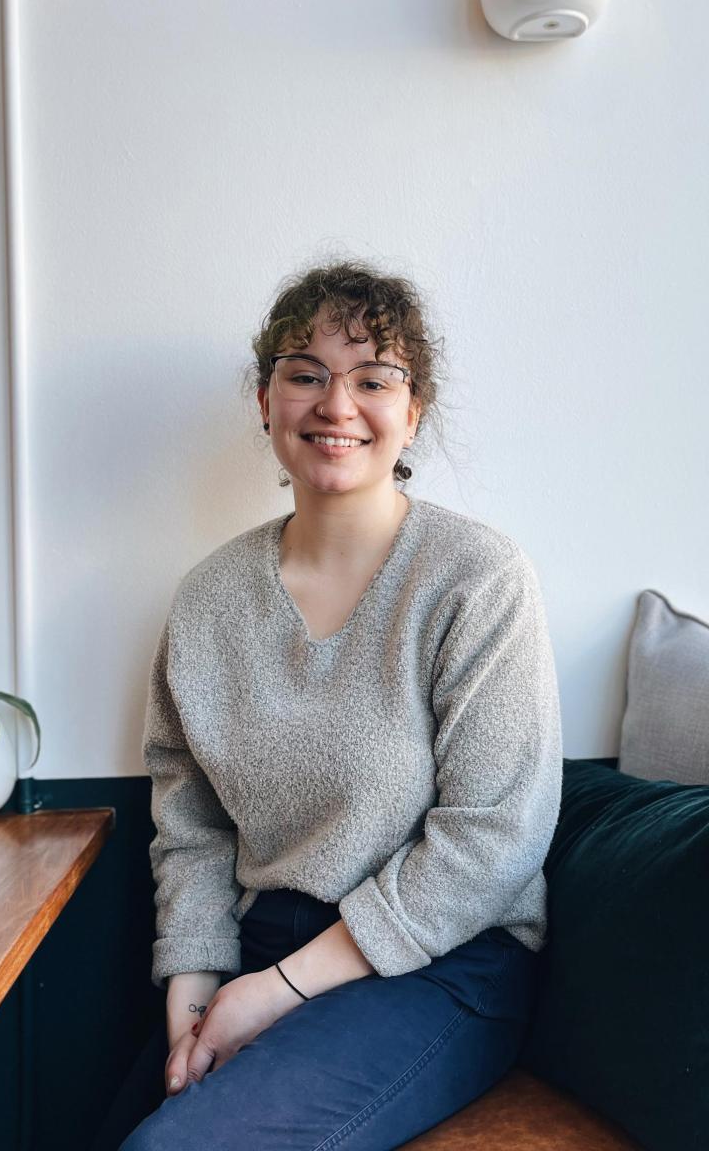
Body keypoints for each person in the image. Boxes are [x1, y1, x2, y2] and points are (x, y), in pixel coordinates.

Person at [115, 260, 563, 1150]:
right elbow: (192, 825)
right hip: (258, 941)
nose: (336, 404)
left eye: (373, 377)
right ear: (265, 399)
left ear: (414, 410)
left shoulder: (477, 580)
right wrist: (195, 995)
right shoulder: (207, 599)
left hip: (438, 963)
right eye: (305, 373)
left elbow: (495, 839)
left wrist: (274, 994)